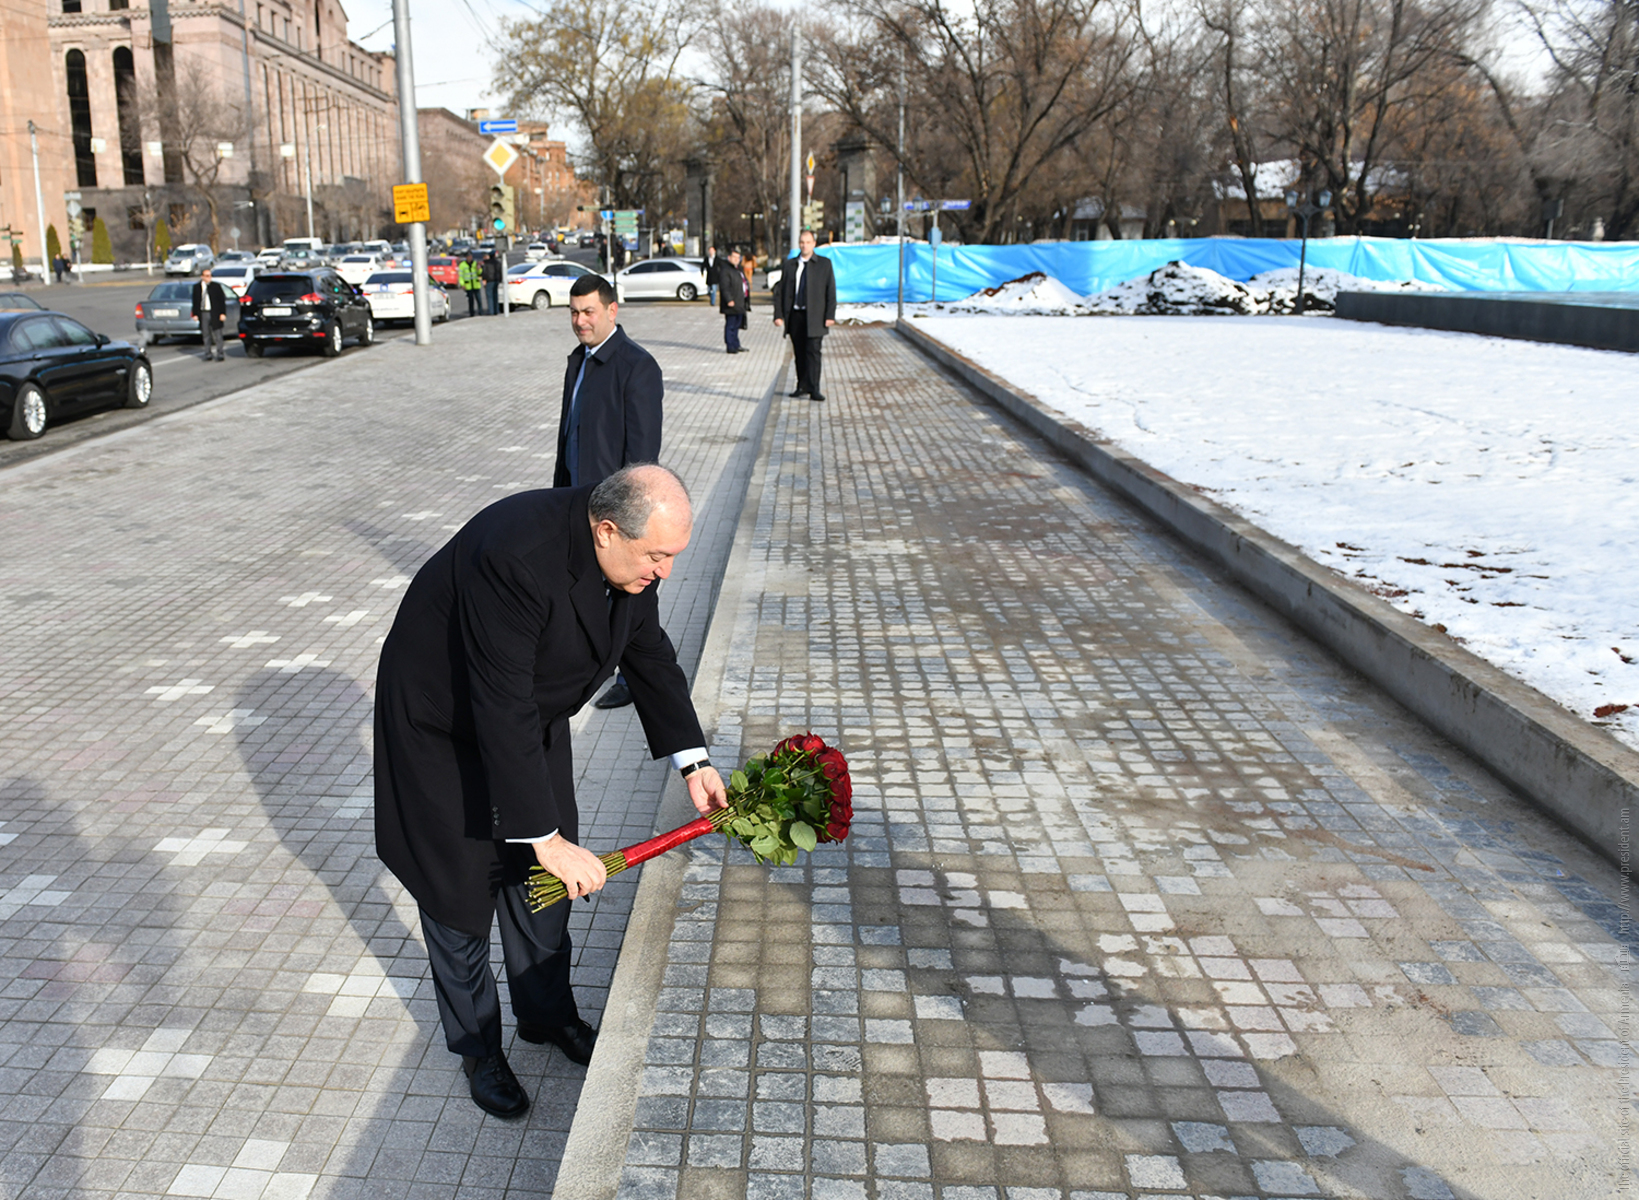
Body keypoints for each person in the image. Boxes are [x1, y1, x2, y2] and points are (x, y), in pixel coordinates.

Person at [375, 464, 728, 1119]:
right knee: (458, 894)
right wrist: (544, 836)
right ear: (606, 531)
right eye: (657, 556)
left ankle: (545, 1015)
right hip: (442, 728)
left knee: (542, 887)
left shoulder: (630, 559)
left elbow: (648, 651)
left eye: (674, 555)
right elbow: (499, 701)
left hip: (524, 720)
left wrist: (693, 761)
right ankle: (479, 1048)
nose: (666, 571)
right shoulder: (514, 556)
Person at [555, 273, 665, 710]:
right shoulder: (578, 361)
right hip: (576, 499)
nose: (580, 321)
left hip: (614, 511)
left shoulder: (637, 366)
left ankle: (636, 680)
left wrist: (627, 516)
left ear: (612, 310)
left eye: (588, 312)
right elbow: (569, 436)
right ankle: (594, 666)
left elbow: (642, 455)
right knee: (587, 588)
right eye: (574, 313)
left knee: (630, 597)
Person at [772, 230, 837, 402]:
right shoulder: (790, 265)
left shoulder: (824, 264)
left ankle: (814, 388)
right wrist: (778, 314)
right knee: (799, 352)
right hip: (795, 316)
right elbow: (780, 291)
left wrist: (830, 315)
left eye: (808, 242)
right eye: (802, 242)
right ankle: (802, 385)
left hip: (815, 316)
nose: (804, 245)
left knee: (813, 352)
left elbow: (830, 291)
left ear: (814, 244)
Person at [191, 267, 229, 362]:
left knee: (218, 334)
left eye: (210, 276)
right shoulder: (197, 287)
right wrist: (195, 314)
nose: (209, 278)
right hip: (203, 312)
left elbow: (221, 301)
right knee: (206, 334)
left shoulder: (216, 286)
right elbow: (195, 301)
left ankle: (220, 353)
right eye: (207, 276)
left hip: (215, 313)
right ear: (202, 277)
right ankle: (208, 354)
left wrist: (222, 313)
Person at [718, 248, 749, 354]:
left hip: (740, 301)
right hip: (732, 302)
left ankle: (736, 344)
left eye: (738, 257)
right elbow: (724, 287)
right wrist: (729, 299)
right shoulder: (726, 270)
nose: (736, 259)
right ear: (729, 258)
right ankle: (730, 346)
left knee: (737, 325)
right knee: (731, 325)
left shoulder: (739, 269)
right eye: (734, 257)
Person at [482, 251, 503, 316]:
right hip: (496, 280)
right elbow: (500, 272)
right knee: (495, 295)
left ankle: (491, 311)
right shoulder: (498, 263)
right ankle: (496, 310)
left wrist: (484, 279)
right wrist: (500, 280)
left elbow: (484, 272)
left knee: (489, 296)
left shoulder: (487, 263)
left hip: (489, 281)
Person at [705, 243, 719, 307]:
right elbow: (703, 266)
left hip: (715, 277)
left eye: (712, 250)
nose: (711, 252)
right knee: (709, 291)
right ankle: (711, 298)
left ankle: (712, 302)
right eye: (710, 250)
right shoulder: (707, 259)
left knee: (714, 290)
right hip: (709, 277)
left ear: (714, 251)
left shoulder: (717, 259)